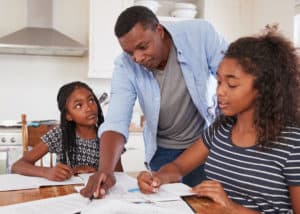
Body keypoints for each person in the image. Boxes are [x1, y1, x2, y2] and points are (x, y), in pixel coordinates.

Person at [137, 26, 300, 213]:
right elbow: (178, 166)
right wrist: (157, 178)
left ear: (264, 87)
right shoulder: (220, 130)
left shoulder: (293, 144)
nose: (220, 91)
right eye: (219, 81)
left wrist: (231, 208)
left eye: (232, 84)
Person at [80, 6, 227, 198]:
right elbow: (116, 121)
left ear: (159, 31)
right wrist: (106, 170)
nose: (138, 58)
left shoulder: (200, 35)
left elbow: (233, 76)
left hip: (204, 145)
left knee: (207, 205)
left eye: (143, 47)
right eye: (130, 52)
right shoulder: (125, 65)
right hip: (163, 151)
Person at [12, 81, 122, 181]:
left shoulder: (108, 136)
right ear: (68, 115)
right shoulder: (59, 134)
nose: (89, 108)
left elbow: (119, 176)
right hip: (64, 194)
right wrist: (47, 172)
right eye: (79, 105)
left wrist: (96, 172)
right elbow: (17, 166)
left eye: (91, 100)